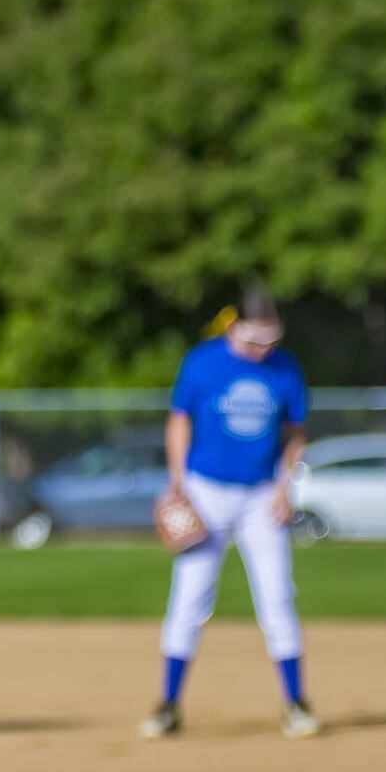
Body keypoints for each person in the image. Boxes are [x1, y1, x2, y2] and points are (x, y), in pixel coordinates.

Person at [142, 288, 317, 739]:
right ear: (234, 326)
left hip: (261, 494)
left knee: (278, 596)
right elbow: (179, 418)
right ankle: (168, 704)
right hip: (206, 491)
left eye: (272, 338)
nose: (266, 348)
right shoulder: (203, 361)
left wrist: (285, 484)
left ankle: (296, 703)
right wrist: (177, 481)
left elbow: (296, 431)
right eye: (257, 339)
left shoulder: (284, 367)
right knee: (189, 597)